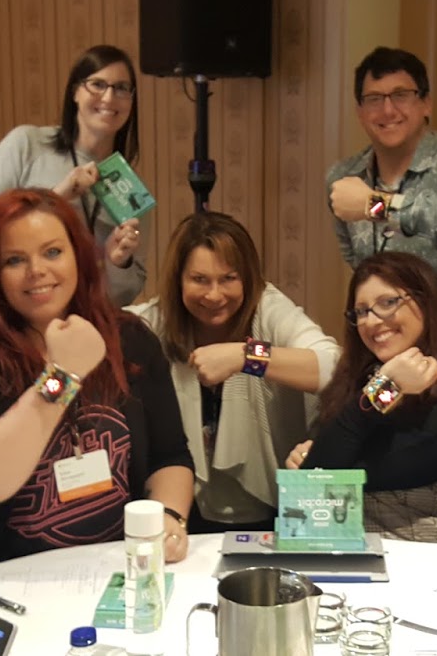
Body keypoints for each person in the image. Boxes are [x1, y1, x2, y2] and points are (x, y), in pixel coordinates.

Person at [0, 189, 194, 581]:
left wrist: (168, 516)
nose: (37, 271)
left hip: (106, 572)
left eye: (52, 252)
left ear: (79, 256)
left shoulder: (128, 338)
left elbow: (169, 455)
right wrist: (61, 378)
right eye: (14, 260)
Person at [127, 212, 340, 531]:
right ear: (178, 279)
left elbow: (334, 366)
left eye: (229, 278)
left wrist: (246, 357)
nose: (214, 295)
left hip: (274, 508)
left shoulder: (268, 308)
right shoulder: (154, 321)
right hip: (181, 507)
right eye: (199, 279)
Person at [286, 252, 437, 546]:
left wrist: (385, 387)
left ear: (425, 302)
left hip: (420, 563)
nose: (371, 321)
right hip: (350, 556)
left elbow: (323, 478)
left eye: (387, 303)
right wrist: (308, 455)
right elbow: (315, 476)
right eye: (361, 311)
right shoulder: (359, 378)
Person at [0, 46, 147, 306]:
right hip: (11, 312)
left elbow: (123, 297)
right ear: (75, 92)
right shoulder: (27, 143)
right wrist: (57, 197)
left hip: (81, 320)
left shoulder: (128, 187)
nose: (109, 97)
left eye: (122, 88)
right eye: (97, 84)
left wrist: (118, 263)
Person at [325, 47, 437, 289]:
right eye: (374, 99)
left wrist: (375, 205)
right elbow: (359, 269)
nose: (388, 110)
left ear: (426, 104)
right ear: (360, 113)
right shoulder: (344, 178)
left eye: (401, 95)